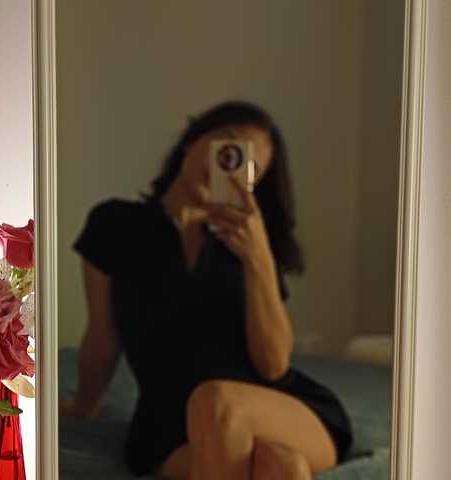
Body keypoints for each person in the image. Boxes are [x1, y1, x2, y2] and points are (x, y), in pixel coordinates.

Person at [60, 101, 353, 480]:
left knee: (217, 401)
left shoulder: (250, 244)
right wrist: (84, 406)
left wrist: (259, 258)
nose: (228, 165)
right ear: (192, 141)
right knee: (283, 467)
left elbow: (273, 365)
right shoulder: (116, 223)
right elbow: (103, 335)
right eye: (227, 146)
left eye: (247, 165)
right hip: (168, 423)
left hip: (276, 407)